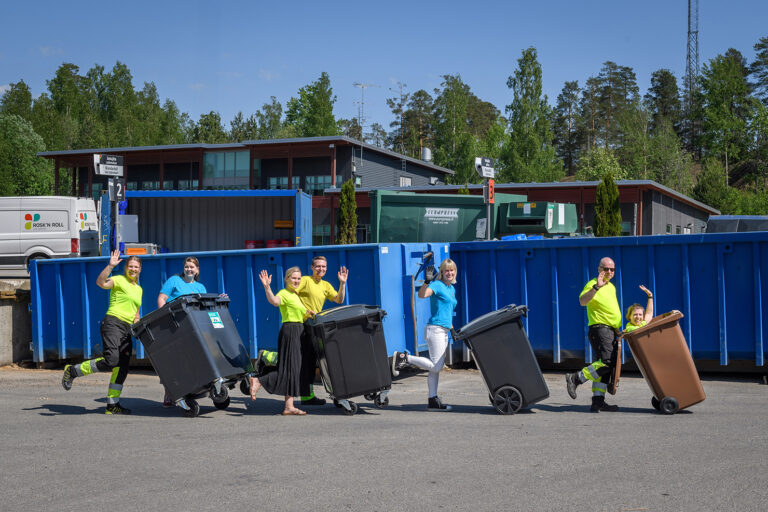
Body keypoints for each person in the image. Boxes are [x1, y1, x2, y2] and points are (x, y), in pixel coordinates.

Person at [255, 256, 348, 406]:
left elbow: (339, 299)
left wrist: (342, 283)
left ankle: (307, 396)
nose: (321, 269)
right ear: (312, 267)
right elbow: (290, 292)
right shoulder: (305, 280)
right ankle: (267, 356)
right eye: (318, 266)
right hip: (300, 325)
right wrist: (269, 288)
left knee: (309, 361)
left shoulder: (325, 285)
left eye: (323, 266)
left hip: (314, 326)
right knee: (297, 360)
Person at [61, 250, 143, 415]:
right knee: (112, 360)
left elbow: (136, 313)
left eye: (136, 267)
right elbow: (101, 283)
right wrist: (110, 266)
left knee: (122, 367)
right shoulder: (119, 280)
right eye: (130, 266)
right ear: (126, 268)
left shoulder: (139, 289)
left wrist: (138, 325)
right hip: (113, 323)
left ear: (139, 269)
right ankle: (73, 371)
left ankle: (112, 405)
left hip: (126, 329)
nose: (133, 269)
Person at [391, 258, 458, 411]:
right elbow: (422, 295)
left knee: (434, 368)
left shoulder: (451, 288)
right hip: (436, 329)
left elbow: (447, 312)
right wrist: (427, 282)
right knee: (436, 366)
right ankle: (404, 358)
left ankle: (432, 400)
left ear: (455, 272)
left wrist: (452, 329)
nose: (449, 273)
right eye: (446, 270)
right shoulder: (437, 285)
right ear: (442, 272)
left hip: (444, 330)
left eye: (452, 270)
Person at [249, 267, 316, 416]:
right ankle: (258, 381)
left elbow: (298, 313)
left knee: (294, 369)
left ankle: (289, 406)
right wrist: (267, 287)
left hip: (298, 331)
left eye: (299, 278)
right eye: (294, 278)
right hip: (291, 332)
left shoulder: (295, 295)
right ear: (287, 279)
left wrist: (308, 313)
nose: (297, 281)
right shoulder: (284, 293)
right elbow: (274, 301)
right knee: (290, 369)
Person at [565, 257, 621, 412]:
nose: (609, 271)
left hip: (610, 331)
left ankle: (598, 401)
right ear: (599, 269)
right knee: (607, 363)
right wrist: (596, 287)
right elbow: (582, 301)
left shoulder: (611, 287)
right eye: (606, 268)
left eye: (612, 269)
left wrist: (617, 328)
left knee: (606, 367)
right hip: (600, 329)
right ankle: (576, 378)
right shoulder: (593, 284)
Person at [156, 256, 208, 406]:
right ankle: (169, 392)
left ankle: (190, 389)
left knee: (190, 359)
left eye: (192, 267)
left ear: (197, 270)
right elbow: (162, 298)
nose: (189, 269)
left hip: (192, 328)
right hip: (174, 325)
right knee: (173, 360)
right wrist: (165, 317)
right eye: (186, 267)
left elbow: (203, 306)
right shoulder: (174, 281)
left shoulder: (200, 287)